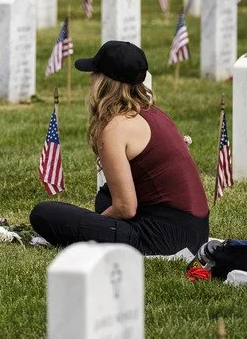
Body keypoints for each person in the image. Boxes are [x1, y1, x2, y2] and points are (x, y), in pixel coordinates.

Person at [29, 41, 209, 255]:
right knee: (104, 196)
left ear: (104, 81)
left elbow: (126, 207)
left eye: (94, 73)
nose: (90, 78)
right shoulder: (154, 113)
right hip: (195, 231)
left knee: (45, 214)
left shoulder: (115, 127)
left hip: (163, 239)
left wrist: (93, 225)